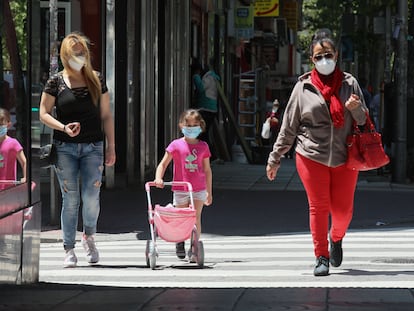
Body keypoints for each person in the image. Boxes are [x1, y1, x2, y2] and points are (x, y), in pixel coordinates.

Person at [266, 30, 368, 276]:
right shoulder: (303, 87)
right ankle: (321, 256)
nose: (324, 60)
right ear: (312, 59)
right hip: (310, 155)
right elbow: (288, 127)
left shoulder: (349, 83)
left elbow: (364, 120)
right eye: (319, 56)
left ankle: (336, 237)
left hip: (345, 156)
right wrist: (275, 158)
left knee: (343, 212)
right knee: (318, 206)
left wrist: (355, 110)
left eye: (328, 55)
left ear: (337, 56)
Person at [39, 32, 116, 268]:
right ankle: (69, 247)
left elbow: (105, 115)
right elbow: (42, 113)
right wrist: (63, 127)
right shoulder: (56, 82)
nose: (79, 57)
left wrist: (111, 146)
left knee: (91, 195)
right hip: (65, 148)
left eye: (82, 52)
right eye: (74, 53)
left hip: (94, 146)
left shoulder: (96, 79)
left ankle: (89, 237)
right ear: (65, 55)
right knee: (70, 199)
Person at [154, 109, 212, 260]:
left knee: (196, 217)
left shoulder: (203, 146)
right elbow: (163, 164)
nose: (191, 128)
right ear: (181, 126)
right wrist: (158, 178)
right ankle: (180, 241)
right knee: (181, 217)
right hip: (180, 188)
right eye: (188, 125)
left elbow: (207, 170)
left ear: (201, 126)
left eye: (195, 125)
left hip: (198, 188)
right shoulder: (176, 145)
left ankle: (194, 247)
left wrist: (209, 192)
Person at [192, 60, 220, 160]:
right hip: (210, 109)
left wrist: (195, 76)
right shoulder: (213, 77)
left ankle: (210, 155)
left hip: (206, 109)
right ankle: (209, 155)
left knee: (203, 134)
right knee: (204, 133)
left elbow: (201, 88)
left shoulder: (209, 77)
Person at [0, 108, 27, 190]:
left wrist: (25, 177)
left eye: (1, 124)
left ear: (8, 125)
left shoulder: (13, 143)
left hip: (8, 189)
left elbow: (24, 162)